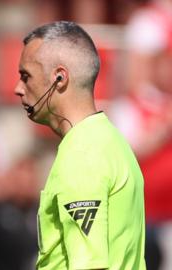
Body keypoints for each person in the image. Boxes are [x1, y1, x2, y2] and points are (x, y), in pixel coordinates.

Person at [14, 21, 146, 269]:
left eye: (25, 76)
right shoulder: (113, 141)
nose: (17, 89)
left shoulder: (83, 155)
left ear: (60, 78)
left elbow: (88, 265)